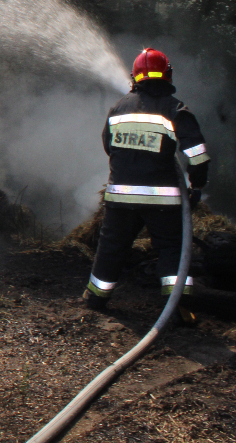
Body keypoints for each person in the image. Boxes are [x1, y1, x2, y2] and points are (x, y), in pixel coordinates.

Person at [83, 48, 210, 311]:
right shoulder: (175, 109)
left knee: (111, 248)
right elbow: (198, 157)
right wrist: (196, 187)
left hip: (120, 197)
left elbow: (109, 146)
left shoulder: (118, 108)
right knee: (171, 250)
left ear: (135, 77)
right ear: (168, 75)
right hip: (162, 201)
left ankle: (95, 299)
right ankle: (177, 308)